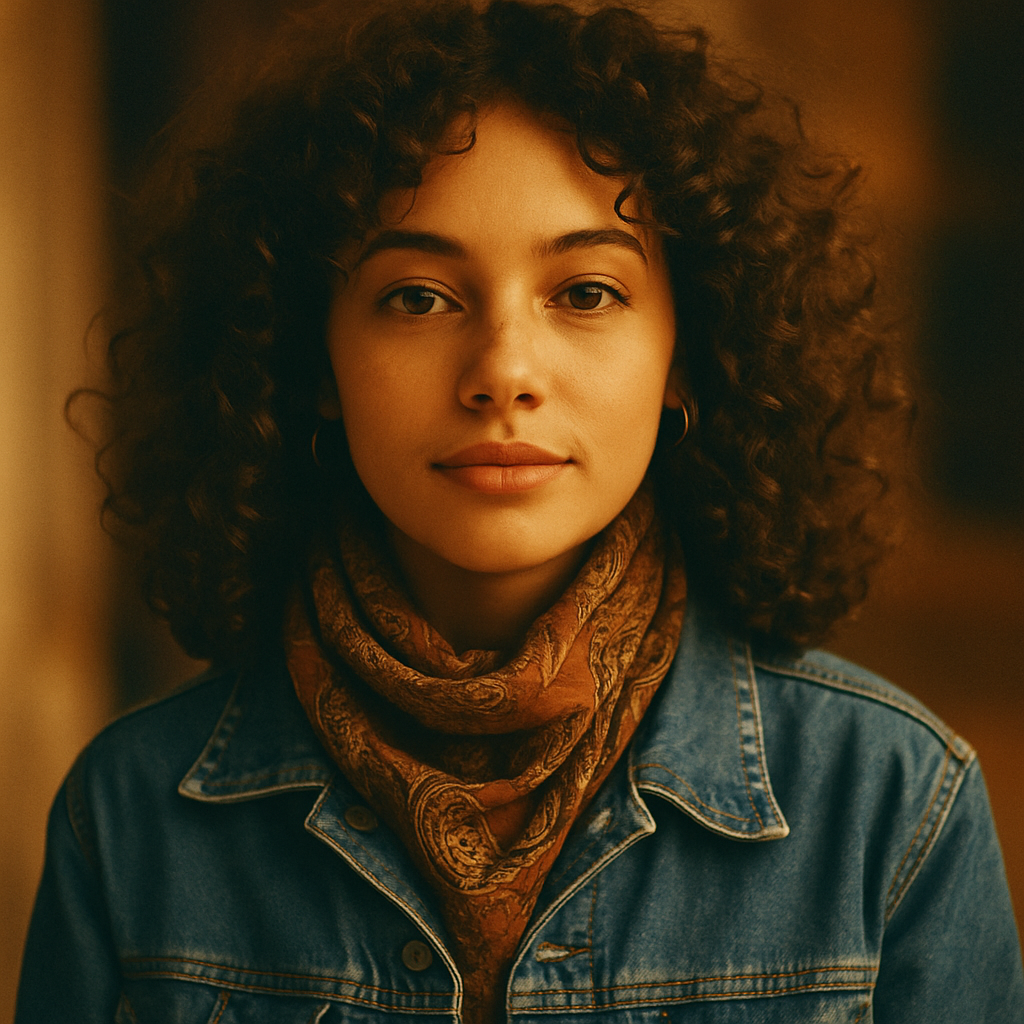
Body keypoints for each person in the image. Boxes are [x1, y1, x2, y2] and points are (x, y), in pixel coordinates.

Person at [16, 1, 1024, 1021]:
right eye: (417, 297)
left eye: (584, 293)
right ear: (314, 359)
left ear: (687, 351)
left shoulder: (893, 804)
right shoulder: (131, 815)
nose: (503, 370)